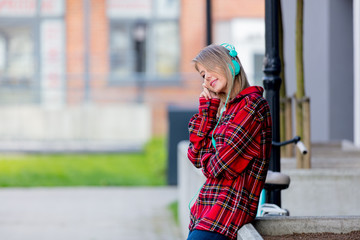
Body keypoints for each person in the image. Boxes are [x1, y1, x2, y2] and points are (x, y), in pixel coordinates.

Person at [187, 44, 272, 240]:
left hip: (229, 211)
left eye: (210, 68)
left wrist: (209, 157)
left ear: (232, 66)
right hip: (206, 211)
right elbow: (195, 156)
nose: (206, 77)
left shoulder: (253, 106)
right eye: (202, 74)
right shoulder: (225, 109)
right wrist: (208, 111)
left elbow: (219, 167)